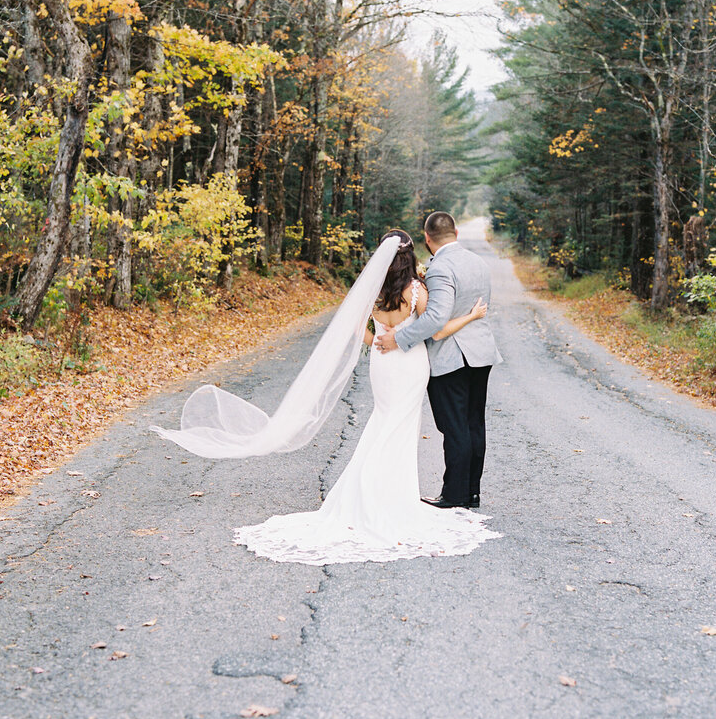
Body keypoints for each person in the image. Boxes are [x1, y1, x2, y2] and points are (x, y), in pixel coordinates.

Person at [154, 228, 500, 565]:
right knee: (401, 428)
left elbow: (352, 326)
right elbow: (436, 329)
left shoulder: (372, 291)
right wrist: (470, 316)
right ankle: (394, 496)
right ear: (410, 258)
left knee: (383, 421)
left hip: (383, 365)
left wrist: (377, 342)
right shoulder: (416, 290)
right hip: (410, 365)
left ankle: (373, 492)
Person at [374, 211, 501, 510]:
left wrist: (399, 339)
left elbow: (435, 317)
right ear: (455, 232)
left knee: (454, 426)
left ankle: (455, 494)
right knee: (473, 424)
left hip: (452, 356)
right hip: (481, 352)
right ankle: (471, 491)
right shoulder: (478, 262)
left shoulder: (441, 268)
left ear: (427, 238)